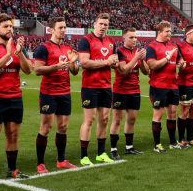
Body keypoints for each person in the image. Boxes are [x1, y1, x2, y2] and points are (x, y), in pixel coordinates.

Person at [0, 13, 33, 182]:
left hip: (14, 97)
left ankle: (12, 169)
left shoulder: (17, 46)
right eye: (6, 27)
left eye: (11, 26)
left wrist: (20, 53)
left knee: (13, 135)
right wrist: (8, 54)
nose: (10, 29)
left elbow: (28, 70)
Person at [32, 17, 79, 172]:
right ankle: (40, 163)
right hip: (49, 93)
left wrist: (73, 62)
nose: (64, 30)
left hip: (65, 92)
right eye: (60, 28)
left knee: (63, 127)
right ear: (52, 30)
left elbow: (75, 72)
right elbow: (37, 70)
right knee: (46, 127)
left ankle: (61, 160)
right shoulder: (43, 48)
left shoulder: (68, 48)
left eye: (65, 27)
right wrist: (57, 66)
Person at [77, 13, 118, 165]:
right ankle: (84, 156)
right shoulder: (85, 40)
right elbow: (84, 63)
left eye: (106, 25)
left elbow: (113, 62)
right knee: (89, 120)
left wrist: (114, 62)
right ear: (94, 24)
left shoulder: (111, 41)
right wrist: (107, 62)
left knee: (104, 120)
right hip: (90, 86)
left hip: (106, 86)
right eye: (100, 24)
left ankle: (101, 153)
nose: (103, 27)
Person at [146, 21, 185, 152]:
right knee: (158, 115)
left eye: (170, 31)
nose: (170, 34)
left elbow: (180, 59)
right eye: (167, 31)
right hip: (158, 86)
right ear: (160, 32)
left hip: (173, 85)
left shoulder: (173, 46)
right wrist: (166, 59)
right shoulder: (151, 47)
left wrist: (182, 63)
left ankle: (173, 142)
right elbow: (152, 65)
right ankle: (157, 145)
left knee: (172, 113)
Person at [110, 28, 149, 157]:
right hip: (120, 90)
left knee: (131, 119)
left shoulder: (138, 52)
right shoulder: (119, 51)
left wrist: (142, 60)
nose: (134, 40)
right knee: (117, 120)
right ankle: (113, 149)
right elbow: (124, 70)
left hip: (134, 90)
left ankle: (129, 147)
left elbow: (146, 72)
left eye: (135, 37)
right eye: (131, 37)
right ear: (124, 38)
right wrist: (136, 57)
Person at [176, 25, 193, 146]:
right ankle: (181, 138)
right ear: (188, 34)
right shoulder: (179, 46)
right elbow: (178, 62)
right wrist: (181, 65)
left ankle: (191, 137)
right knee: (185, 110)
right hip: (185, 83)